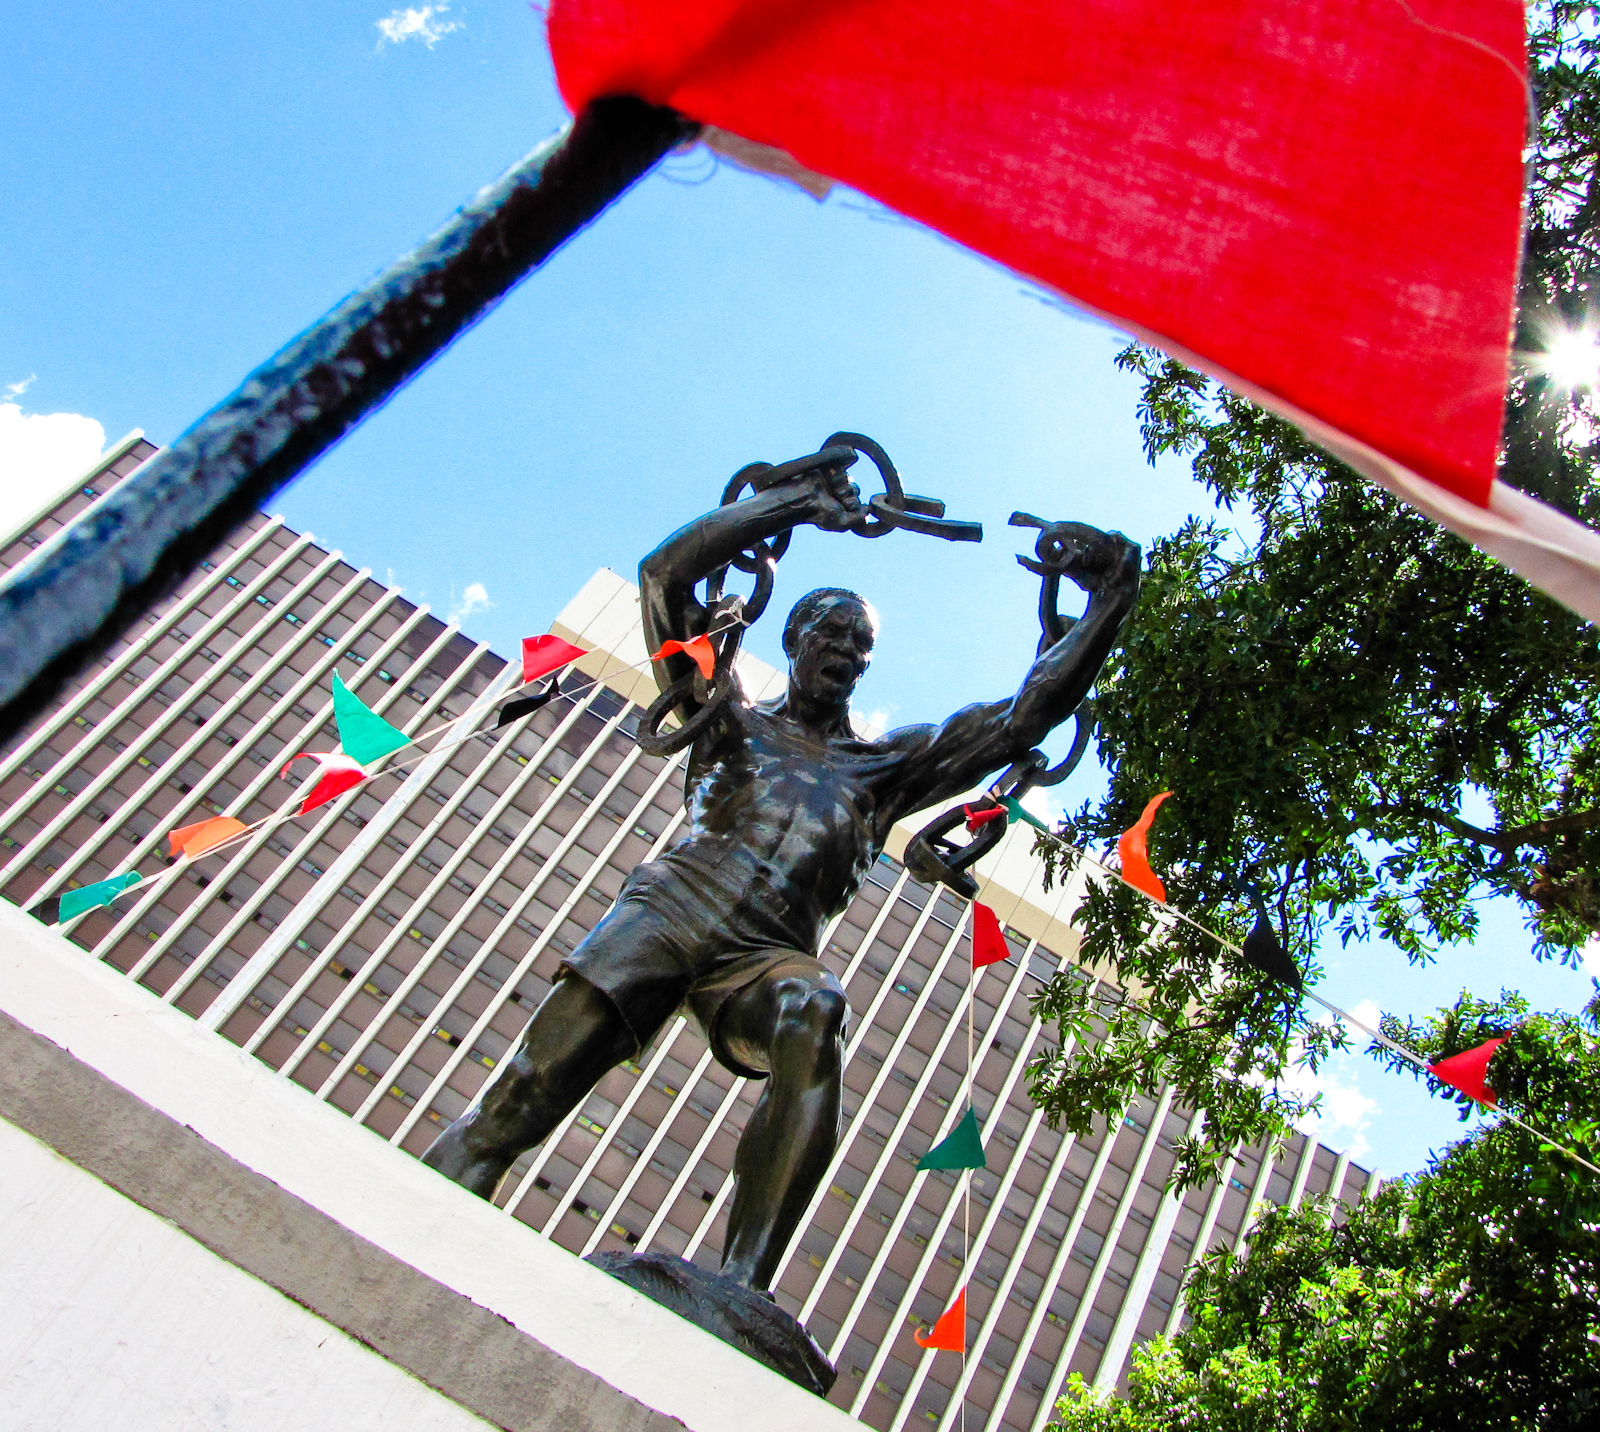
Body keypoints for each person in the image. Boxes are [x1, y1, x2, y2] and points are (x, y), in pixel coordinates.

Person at [422, 458, 1140, 1290]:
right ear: (794, 639)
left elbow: (1022, 720)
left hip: (766, 957)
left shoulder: (885, 771)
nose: (845, 652)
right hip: (671, 910)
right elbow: (664, 578)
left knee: (816, 1005)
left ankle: (741, 1288)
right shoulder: (728, 718)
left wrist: (1110, 601)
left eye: (860, 645)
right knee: (521, 1101)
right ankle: (428, 1209)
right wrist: (792, 503)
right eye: (831, 633)